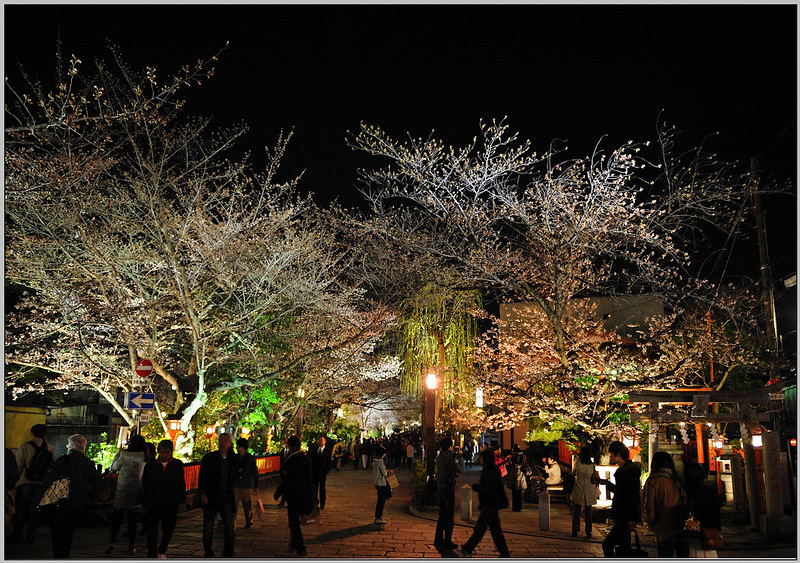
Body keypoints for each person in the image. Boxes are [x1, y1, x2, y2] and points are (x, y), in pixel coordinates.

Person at [36, 434, 102, 558]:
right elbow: (98, 481)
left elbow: (49, 480)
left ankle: (59, 557)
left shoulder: (63, 460)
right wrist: (91, 497)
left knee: (57, 536)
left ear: (71, 446)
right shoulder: (88, 463)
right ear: (83, 447)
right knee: (69, 534)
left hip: (60, 504)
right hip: (77, 504)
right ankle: (65, 556)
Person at [460, 449, 511, 558]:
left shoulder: (489, 471)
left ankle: (468, 548)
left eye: (482, 457)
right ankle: (504, 553)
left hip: (489, 503)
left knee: (480, 528)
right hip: (492, 502)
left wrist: (476, 487)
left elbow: (488, 488)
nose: (481, 459)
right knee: (495, 530)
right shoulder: (493, 470)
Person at [141, 439, 186, 559]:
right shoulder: (151, 465)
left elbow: (181, 483)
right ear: (158, 452)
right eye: (162, 452)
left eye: (167, 452)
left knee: (168, 528)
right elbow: (145, 483)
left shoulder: (177, 465)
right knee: (152, 530)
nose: (164, 455)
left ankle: (162, 548)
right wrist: (144, 500)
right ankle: (151, 553)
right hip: (154, 501)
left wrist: (181, 499)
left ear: (171, 452)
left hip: (170, 502)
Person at [599, 441, 642, 557]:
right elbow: (622, 491)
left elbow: (631, 495)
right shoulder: (627, 471)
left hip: (625, 516)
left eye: (611, 454)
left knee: (608, 545)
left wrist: (632, 518)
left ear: (619, 455)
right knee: (624, 548)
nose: (610, 457)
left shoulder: (627, 472)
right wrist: (607, 483)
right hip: (624, 516)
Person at [13, 423, 54, 543]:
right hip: (41, 483)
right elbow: (51, 465)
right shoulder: (49, 447)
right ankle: (31, 536)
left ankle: (18, 534)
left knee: (20, 508)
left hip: (26, 482)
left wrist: (15, 482)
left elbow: (19, 466)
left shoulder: (25, 446)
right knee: (35, 510)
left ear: (32, 433)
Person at [106, 434, 148, 554]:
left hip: (123, 489)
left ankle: (112, 542)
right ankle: (131, 546)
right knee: (132, 520)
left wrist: (116, 457)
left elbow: (114, 467)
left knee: (117, 518)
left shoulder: (124, 454)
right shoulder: (144, 456)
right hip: (136, 490)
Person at [643, 451, 689, 557]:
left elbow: (649, 505)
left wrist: (651, 521)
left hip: (663, 527)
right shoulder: (676, 480)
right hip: (679, 525)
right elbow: (684, 500)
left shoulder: (653, 481)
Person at [198, 432, 236, 558]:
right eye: (220, 440)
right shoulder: (209, 458)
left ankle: (228, 552)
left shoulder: (233, 459)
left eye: (225, 441)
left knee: (229, 527)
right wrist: (203, 493)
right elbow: (202, 477)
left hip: (226, 498)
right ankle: (208, 550)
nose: (222, 443)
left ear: (230, 444)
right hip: (211, 496)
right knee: (208, 527)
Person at [273, 435, 312, 557]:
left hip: (294, 495)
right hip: (303, 494)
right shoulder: (306, 459)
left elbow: (287, 479)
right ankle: (295, 543)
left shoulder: (293, 460)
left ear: (291, 446)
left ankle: (300, 547)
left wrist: (278, 492)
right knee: (294, 522)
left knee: (294, 522)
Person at [683, 463, 721, 558]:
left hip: (691, 532)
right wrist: (716, 530)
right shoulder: (709, 491)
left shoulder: (685, 492)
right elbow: (716, 513)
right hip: (708, 532)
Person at [433, 436, 459, 548]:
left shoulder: (439, 457)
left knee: (442, 515)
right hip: (447, 488)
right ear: (450, 446)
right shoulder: (448, 458)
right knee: (448, 516)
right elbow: (459, 469)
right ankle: (447, 540)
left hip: (440, 487)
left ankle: (438, 539)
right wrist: (460, 457)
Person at [570, 446, 599, 538]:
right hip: (589, 488)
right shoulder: (592, 465)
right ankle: (588, 531)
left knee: (577, 510)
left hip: (579, 487)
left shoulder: (578, 464)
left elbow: (573, 473)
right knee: (588, 511)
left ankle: (575, 530)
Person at [233, 438, 260, 529]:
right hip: (236, 485)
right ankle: (232, 522)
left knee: (247, 506)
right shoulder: (235, 458)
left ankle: (249, 521)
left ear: (243, 447)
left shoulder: (250, 458)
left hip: (246, 485)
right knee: (234, 506)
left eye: (239, 446)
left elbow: (255, 472)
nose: (237, 448)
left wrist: (256, 485)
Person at [372, 445, 393, 525]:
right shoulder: (380, 461)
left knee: (380, 500)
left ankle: (378, 517)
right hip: (381, 483)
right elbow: (384, 473)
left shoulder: (375, 460)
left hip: (377, 482)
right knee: (381, 501)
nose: (385, 455)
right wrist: (389, 472)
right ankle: (378, 517)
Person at [310, 435, 331, 510]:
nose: (320, 442)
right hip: (315, 472)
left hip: (322, 473)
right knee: (314, 488)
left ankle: (322, 503)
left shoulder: (327, 450)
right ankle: (315, 502)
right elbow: (311, 459)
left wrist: (326, 471)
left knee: (322, 488)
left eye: (321, 440)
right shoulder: (315, 449)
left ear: (325, 441)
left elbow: (328, 461)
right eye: (319, 440)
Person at [506, 444, 528, 512]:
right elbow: (523, 464)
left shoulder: (513, 456)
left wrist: (510, 459)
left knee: (514, 492)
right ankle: (519, 506)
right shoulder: (523, 455)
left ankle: (515, 507)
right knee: (520, 492)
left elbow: (511, 465)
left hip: (514, 475)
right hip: (521, 475)